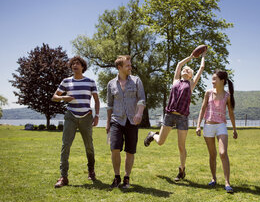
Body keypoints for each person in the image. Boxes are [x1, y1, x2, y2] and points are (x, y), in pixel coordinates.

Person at [144, 47, 206, 181]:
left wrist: (202, 55)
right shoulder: (176, 81)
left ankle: (182, 170)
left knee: (181, 146)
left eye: (188, 70)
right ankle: (152, 135)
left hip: (183, 117)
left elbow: (201, 68)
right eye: (185, 69)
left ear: (191, 75)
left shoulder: (191, 83)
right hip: (170, 114)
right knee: (160, 142)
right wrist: (190, 56)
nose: (185, 69)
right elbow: (179, 64)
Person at [52, 56, 100, 188]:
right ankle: (63, 177)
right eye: (73, 64)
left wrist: (97, 116)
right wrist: (64, 97)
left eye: (78, 63)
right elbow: (54, 97)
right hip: (71, 116)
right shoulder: (66, 81)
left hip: (86, 117)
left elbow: (96, 100)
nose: (75, 65)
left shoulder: (90, 82)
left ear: (83, 67)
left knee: (89, 146)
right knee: (65, 146)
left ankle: (91, 171)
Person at [106, 55, 146, 189]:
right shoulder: (111, 84)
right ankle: (117, 177)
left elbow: (141, 100)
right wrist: (107, 123)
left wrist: (139, 113)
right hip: (116, 120)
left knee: (130, 151)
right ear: (120, 67)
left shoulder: (136, 81)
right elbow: (109, 105)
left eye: (130, 65)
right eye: (127, 65)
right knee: (114, 149)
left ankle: (126, 178)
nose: (130, 67)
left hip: (132, 121)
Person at [195, 70, 238, 193]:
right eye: (212, 79)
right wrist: (198, 125)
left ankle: (227, 183)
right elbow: (202, 109)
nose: (212, 81)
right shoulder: (208, 93)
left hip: (221, 126)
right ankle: (213, 179)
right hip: (208, 125)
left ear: (222, 81)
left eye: (215, 79)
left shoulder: (227, 96)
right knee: (212, 154)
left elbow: (230, 113)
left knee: (223, 153)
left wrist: (234, 129)